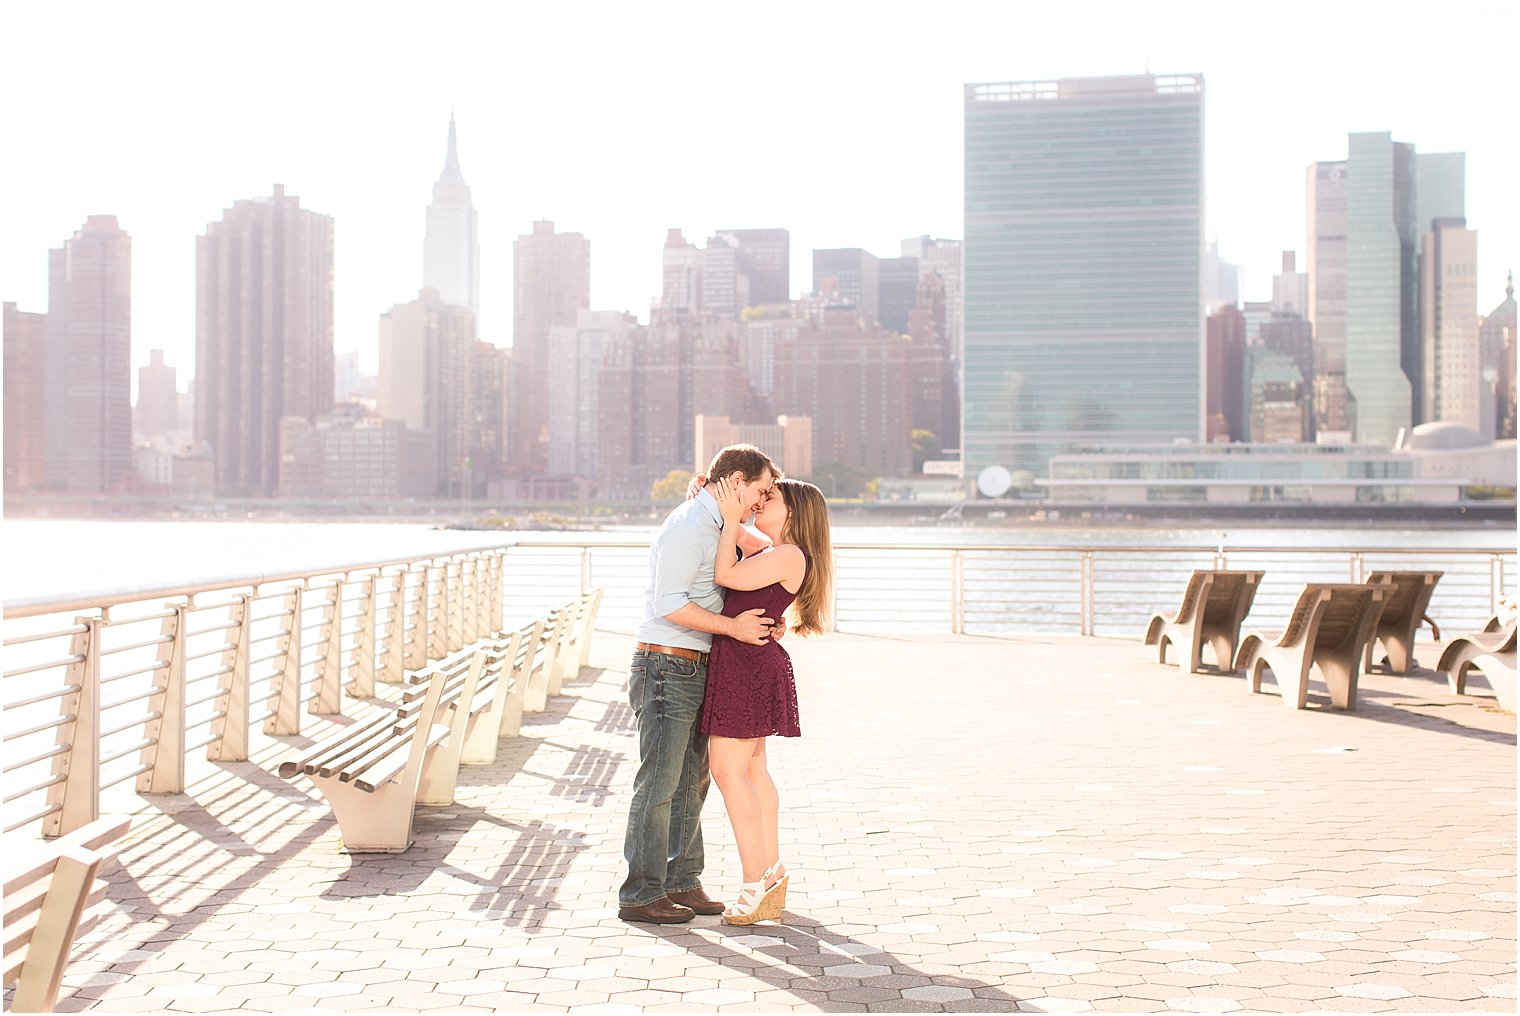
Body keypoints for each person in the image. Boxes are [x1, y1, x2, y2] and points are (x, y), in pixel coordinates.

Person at [617, 445, 780, 925]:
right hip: (666, 666)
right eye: (760, 489)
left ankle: (682, 881)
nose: (762, 499)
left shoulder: (717, 523)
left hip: (697, 665)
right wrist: (733, 629)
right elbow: (669, 603)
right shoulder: (690, 526)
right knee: (659, 784)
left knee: (693, 782)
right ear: (733, 479)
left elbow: (757, 565)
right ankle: (640, 893)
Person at [702, 476, 834, 925]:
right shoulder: (774, 550)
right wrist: (715, 500)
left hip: (746, 665)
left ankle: (754, 882)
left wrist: (733, 517)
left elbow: (725, 574)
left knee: (727, 770)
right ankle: (771, 872)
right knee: (753, 770)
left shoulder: (788, 554)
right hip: (749, 660)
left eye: (769, 498)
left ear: (792, 511)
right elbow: (738, 536)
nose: (760, 502)